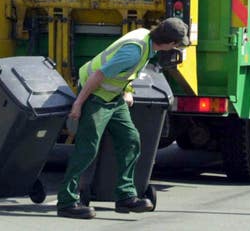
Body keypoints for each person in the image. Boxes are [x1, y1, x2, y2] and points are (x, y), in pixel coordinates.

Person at [56, 17, 189, 219]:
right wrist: (78, 103)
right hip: (95, 96)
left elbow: (124, 74)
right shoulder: (134, 52)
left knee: (130, 140)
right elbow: (99, 75)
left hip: (113, 97)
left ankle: (126, 196)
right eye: (177, 45)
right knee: (88, 147)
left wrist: (126, 90)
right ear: (170, 44)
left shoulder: (146, 41)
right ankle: (66, 202)